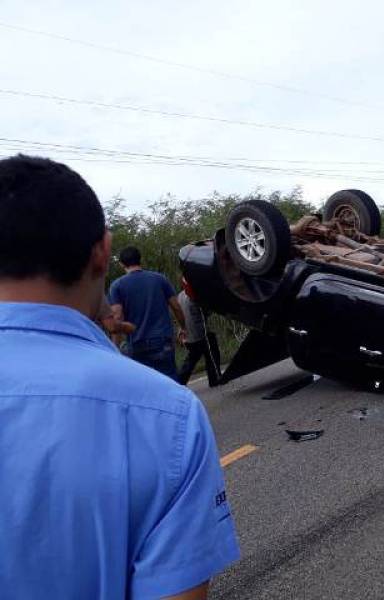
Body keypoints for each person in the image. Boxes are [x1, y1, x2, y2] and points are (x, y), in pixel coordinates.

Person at [0, 155, 239, 598]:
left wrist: (122, 332)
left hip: (131, 349)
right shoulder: (170, 414)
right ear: (101, 251)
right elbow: (173, 307)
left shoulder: (119, 291)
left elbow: (118, 319)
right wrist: (181, 327)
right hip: (152, 362)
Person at [109, 246, 187, 380]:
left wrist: (114, 348)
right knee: (171, 382)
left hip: (136, 344)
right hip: (162, 341)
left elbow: (117, 318)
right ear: (140, 260)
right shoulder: (159, 279)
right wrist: (183, 327)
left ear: (121, 263)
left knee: (147, 386)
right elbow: (176, 307)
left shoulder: (117, 286)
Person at [177, 281, 221, 386]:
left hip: (189, 334)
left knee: (192, 359)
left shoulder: (180, 296)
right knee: (211, 353)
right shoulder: (194, 296)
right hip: (200, 334)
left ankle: (180, 381)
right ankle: (215, 378)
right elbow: (206, 312)